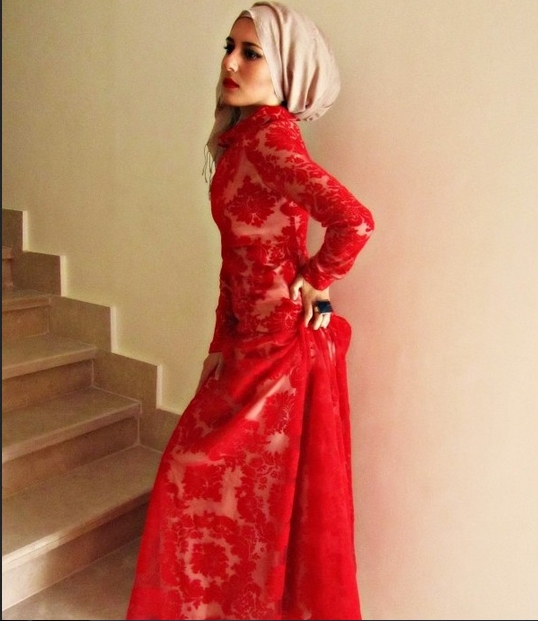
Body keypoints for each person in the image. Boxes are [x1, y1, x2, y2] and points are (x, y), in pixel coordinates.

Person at [126, 2, 374, 619]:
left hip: (279, 353)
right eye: (229, 48)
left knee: (211, 480)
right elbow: (233, 258)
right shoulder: (245, 141)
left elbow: (355, 221)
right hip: (246, 346)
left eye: (251, 53)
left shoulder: (269, 140)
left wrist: (316, 279)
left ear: (285, 69)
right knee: (238, 495)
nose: (230, 63)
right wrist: (218, 341)